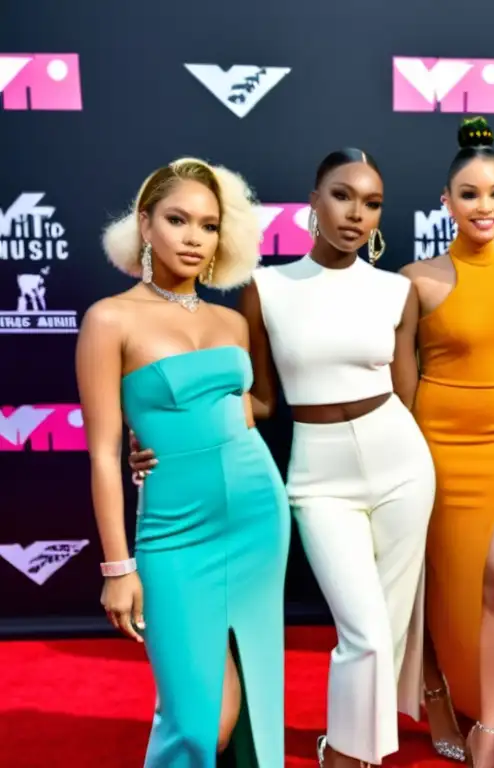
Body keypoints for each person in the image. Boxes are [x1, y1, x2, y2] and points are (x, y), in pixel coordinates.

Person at [128, 149, 436, 768]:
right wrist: (172, 436)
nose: (357, 213)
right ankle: (346, 748)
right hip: (318, 475)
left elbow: (408, 395)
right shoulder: (265, 290)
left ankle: (349, 754)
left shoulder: (398, 292)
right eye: (343, 196)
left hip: (402, 461)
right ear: (313, 202)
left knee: (390, 632)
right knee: (367, 632)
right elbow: (259, 399)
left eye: (372, 203)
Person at [77, 157, 290, 766]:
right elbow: (102, 453)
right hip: (173, 530)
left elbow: (244, 412)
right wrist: (118, 566)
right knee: (199, 720)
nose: (194, 237)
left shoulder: (230, 320)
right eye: (177, 220)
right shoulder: (109, 318)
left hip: (256, 517)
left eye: (208, 225)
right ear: (145, 226)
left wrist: (187, 435)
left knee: (252, 707)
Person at [400, 116, 494, 767]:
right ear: (446, 202)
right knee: (436, 583)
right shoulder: (416, 279)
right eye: (469, 193)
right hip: (434, 446)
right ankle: (438, 699)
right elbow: (402, 386)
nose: (483, 206)